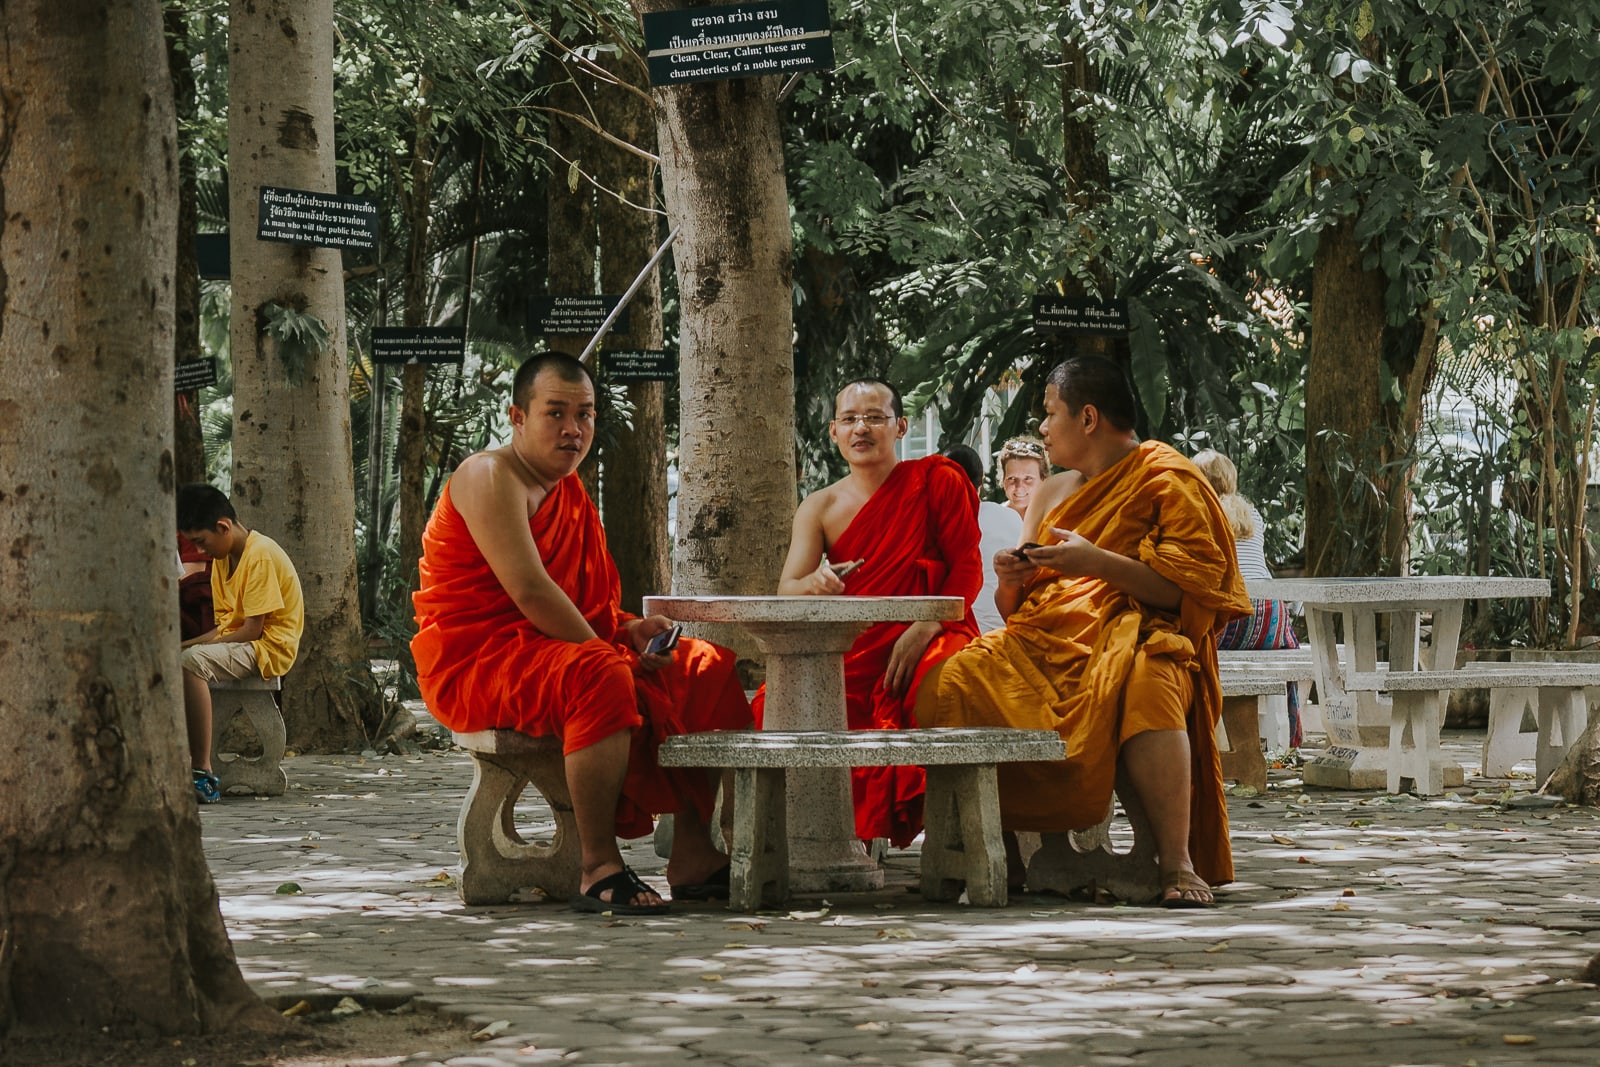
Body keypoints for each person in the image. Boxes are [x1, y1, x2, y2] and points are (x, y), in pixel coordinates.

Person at [411, 353, 750, 915]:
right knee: (602, 673)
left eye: (586, 415)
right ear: (517, 416)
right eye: (556, 413)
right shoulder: (488, 475)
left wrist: (631, 630)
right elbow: (532, 593)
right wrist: (608, 651)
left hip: (552, 648)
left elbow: (585, 606)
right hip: (479, 661)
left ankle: (693, 852)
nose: (574, 429)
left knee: (705, 665)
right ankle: (599, 864)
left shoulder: (569, 491)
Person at [918, 357, 1250, 907]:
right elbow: (1020, 604)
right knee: (952, 681)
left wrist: (1097, 563)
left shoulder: (1168, 477)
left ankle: (1175, 863)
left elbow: (1189, 593)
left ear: (1088, 417)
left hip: (1137, 632)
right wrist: (1009, 581)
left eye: (1051, 414)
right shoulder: (1049, 494)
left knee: (1152, 681)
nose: (1043, 428)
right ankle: (999, 853)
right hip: (1046, 637)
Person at [767, 379, 982, 847]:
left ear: (901, 426)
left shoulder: (938, 480)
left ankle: (953, 838)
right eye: (849, 419)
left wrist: (925, 625)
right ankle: (818, 841)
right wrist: (816, 583)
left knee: (943, 680)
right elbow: (788, 589)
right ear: (833, 432)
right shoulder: (819, 506)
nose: (861, 428)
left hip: (933, 630)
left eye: (875, 417)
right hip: (855, 648)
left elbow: (967, 570)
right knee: (773, 704)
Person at [177, 484, 304, 805]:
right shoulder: (223, 557)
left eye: (201, 542)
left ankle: (201, 771)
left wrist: (189, 651)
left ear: (223, 526)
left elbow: (251, 630)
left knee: (190, 662)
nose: (200, 552)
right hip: (245, 642)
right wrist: (182, 644)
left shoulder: (259, 555)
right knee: (182, 655)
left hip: (268, 647)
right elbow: (224, 627)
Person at [1191, 449, 1303, 745]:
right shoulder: (1251, 513)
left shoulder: (1198, 511)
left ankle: (1196, 737)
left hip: (1232, 620)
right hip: (1271, 623)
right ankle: (1287, 739)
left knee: (1183, 644)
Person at [944, 443, 1022, 633]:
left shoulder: (936, 526)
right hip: (1006, 632)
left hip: (959, 637)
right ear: (980, 486)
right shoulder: (1010, 517)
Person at [997, 435, 1049, 519]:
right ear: (1003, 480)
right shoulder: (991, 519)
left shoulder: (1054, 519)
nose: (1019, 487)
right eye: (1012, 478)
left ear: (1043, 480)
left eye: (1028, 478)